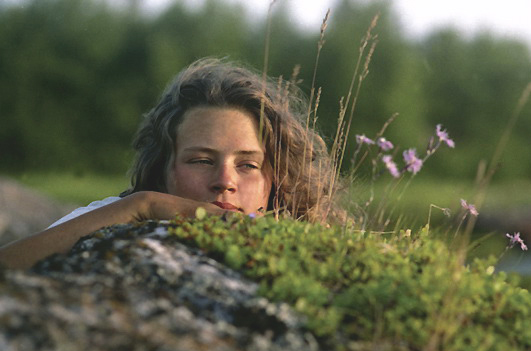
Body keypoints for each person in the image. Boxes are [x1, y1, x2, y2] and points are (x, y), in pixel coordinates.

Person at [0, 58, 345, 270]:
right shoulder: (121, 212)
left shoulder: (306, 239)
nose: (224, 181)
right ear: (163, 167)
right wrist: (144, 205)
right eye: (201, 160)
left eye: (248, 165)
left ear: (276, 179)